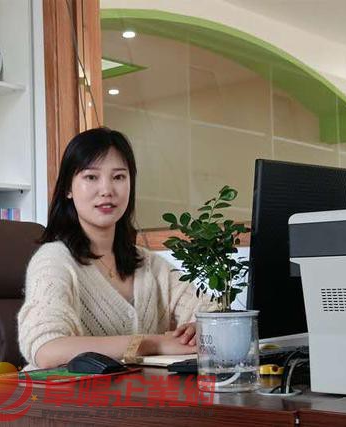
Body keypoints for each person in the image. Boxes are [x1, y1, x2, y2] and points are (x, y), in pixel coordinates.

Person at [17, 127, 214, 369]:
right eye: (91, 177)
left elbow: (212, 313)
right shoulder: (54, 260)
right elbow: (47, 349)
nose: (107, 190)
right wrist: (152, 343)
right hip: (61, 393)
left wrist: (199, 329)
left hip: (138, 392)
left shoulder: (148, 264)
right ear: (68, 188)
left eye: (119, 177)